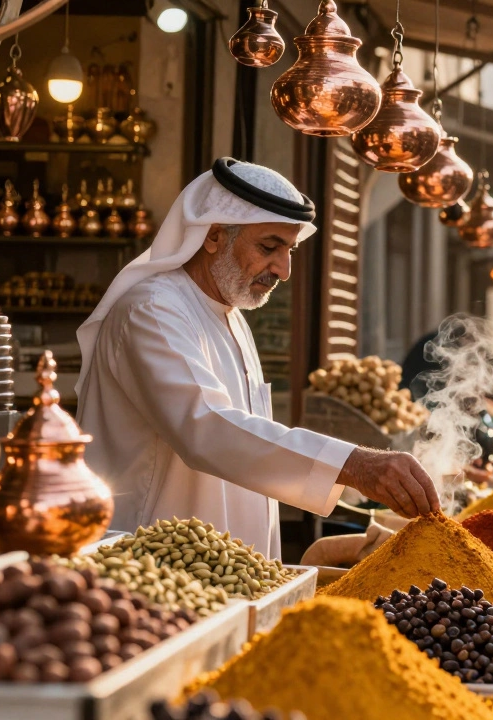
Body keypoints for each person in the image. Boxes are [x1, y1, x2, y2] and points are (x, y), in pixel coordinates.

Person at [76, 159, 440, 558]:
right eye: (269, 248)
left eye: (290, 251)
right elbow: (208, 428)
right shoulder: (151, 309)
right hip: (151, 561)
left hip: (219, 566)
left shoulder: (230, 315)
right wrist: (352, 464)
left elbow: (245, 441)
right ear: (214, 236)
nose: (283, 271)